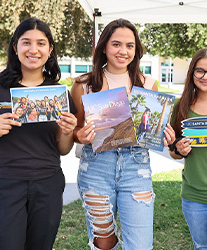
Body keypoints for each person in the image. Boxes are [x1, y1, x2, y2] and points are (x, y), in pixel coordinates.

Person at [71, 18, 172, 250]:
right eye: (116, 44)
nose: (123, 51)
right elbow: (74, 129)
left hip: (136, 166)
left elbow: (153, 129)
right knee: (104, 244)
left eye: (130, 46)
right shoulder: (84, 84)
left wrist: (163, 133)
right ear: (104, 47)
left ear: (136, 51)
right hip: (96, 167)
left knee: (140, 246)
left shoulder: (148, 84)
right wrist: (80, 135)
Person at [0, 18, 77, 250]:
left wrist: (68, 132)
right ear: (15, 47)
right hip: (5, 184)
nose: (33, 50)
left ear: (50, 50)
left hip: (48, 183)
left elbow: (63, 150)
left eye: (41, 43)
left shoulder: (59, 94)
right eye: (26, 42)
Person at [164, 48, 207, 250]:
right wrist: (178, 149)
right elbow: (173, 152)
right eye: (200, 71)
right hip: (196, 197)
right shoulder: (180, 106)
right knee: (203, 247)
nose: (206, 76)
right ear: (191, 73)